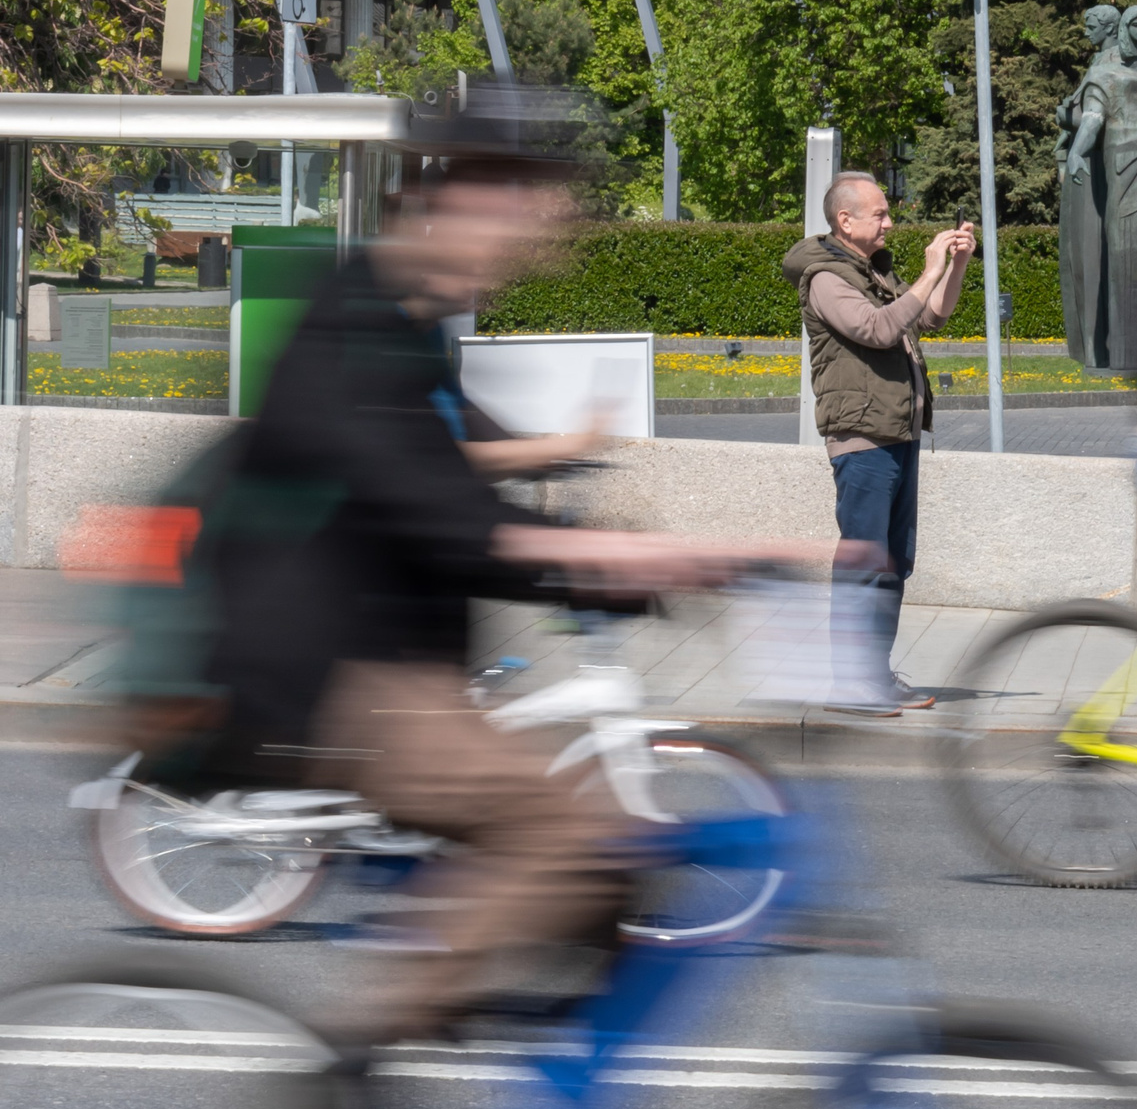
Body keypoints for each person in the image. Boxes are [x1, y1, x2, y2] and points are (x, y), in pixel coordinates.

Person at [197, 148, 791, 1051]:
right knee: (568, 833)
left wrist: (624, 560)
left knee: (614, 882)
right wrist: (618, 557)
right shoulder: (348, 322)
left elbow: (467, 493)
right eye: (500, 230)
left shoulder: (407, 332)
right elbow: (444, 517)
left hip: (397, 669)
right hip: (328, 683)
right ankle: (357, 1055)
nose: (505, 260)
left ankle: (546, 1078)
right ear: (433, 211)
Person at [782, 172, 976, 716]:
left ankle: (873, 677)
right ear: (846, 220)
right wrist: (930, 267)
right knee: (864, 563)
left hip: (899, 432)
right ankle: (848, 685)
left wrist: (955, 264)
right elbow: (877, 329)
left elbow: (931, 315)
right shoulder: (825, 277)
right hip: (863, 439)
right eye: (880, 215)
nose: (890, 222)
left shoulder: (871, 270)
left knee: (893, 563)